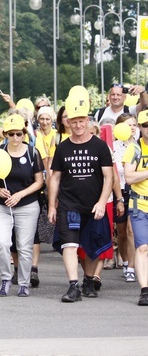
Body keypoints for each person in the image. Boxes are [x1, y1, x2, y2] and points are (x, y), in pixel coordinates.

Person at [48, 97, 113, 302]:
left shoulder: (100, 147)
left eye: (81, 121)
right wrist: (52, 205)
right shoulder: (63, 148)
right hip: (69, 205)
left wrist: (102, 202)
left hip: (93, 205)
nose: (77, 125)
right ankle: (73, 286)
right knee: (70, 245)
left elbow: (109, 177)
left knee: (92, 245)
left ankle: (88, 279)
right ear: (68, 122)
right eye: (73, 121)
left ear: (87, 121)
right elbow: (55, 178)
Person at [0, 114, 44, 297]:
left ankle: (24, 283)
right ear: (6, 135)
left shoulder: (32, 152)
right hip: (1, 205)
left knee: (24, 246)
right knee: (2, 242)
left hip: (27, 205)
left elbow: (39, 181)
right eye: (11, 134)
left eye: (19, 134)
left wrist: (21, 194)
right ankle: (5, 279)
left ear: (24, 134)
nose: (15, 138)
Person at [123, 110, 148, 305]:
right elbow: (129, 177)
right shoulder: (134, 149)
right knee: (143, 248)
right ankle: (144, 290)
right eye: (145, 125)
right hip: (139, 204)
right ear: (139, 127)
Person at [113, 113, 136, 282]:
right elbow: (114, 174)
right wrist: (119, 198)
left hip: (137, 191)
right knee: (121, 232)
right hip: (120, 191)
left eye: (134, 124)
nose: (132, 128)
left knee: (131, 231)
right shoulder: (113, 147)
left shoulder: (139, 146)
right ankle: (125, 259)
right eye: (128, 125)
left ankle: (132, 267)